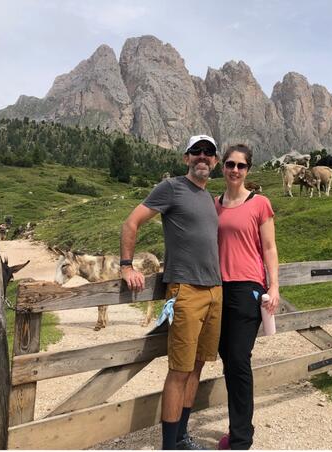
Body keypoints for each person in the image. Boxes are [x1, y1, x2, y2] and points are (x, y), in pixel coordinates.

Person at [120, 134, 222, 450]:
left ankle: (181, 437)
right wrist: (126, 266)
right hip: (185, 290)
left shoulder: (209, 198)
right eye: (197, 152)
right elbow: (131, 222)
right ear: (186, 158)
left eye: (209, 152)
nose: (202, 157)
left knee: (197, 366)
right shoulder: (171, 187)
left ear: (215, 161)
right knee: (179, 370)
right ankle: (169, 445)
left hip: (214, 291)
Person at [215, 144, 280, 450]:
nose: (235, 170)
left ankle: (241, 438)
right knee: (229, 360)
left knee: (239, 359)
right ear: (222, 167)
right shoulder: (214, 204)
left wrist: (274, 287)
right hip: (217, 289)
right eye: (230, 164)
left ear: (248, 170)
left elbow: (269, 248)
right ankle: (238, 428)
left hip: (247, 289)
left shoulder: (260, 204)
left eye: (241, 166)